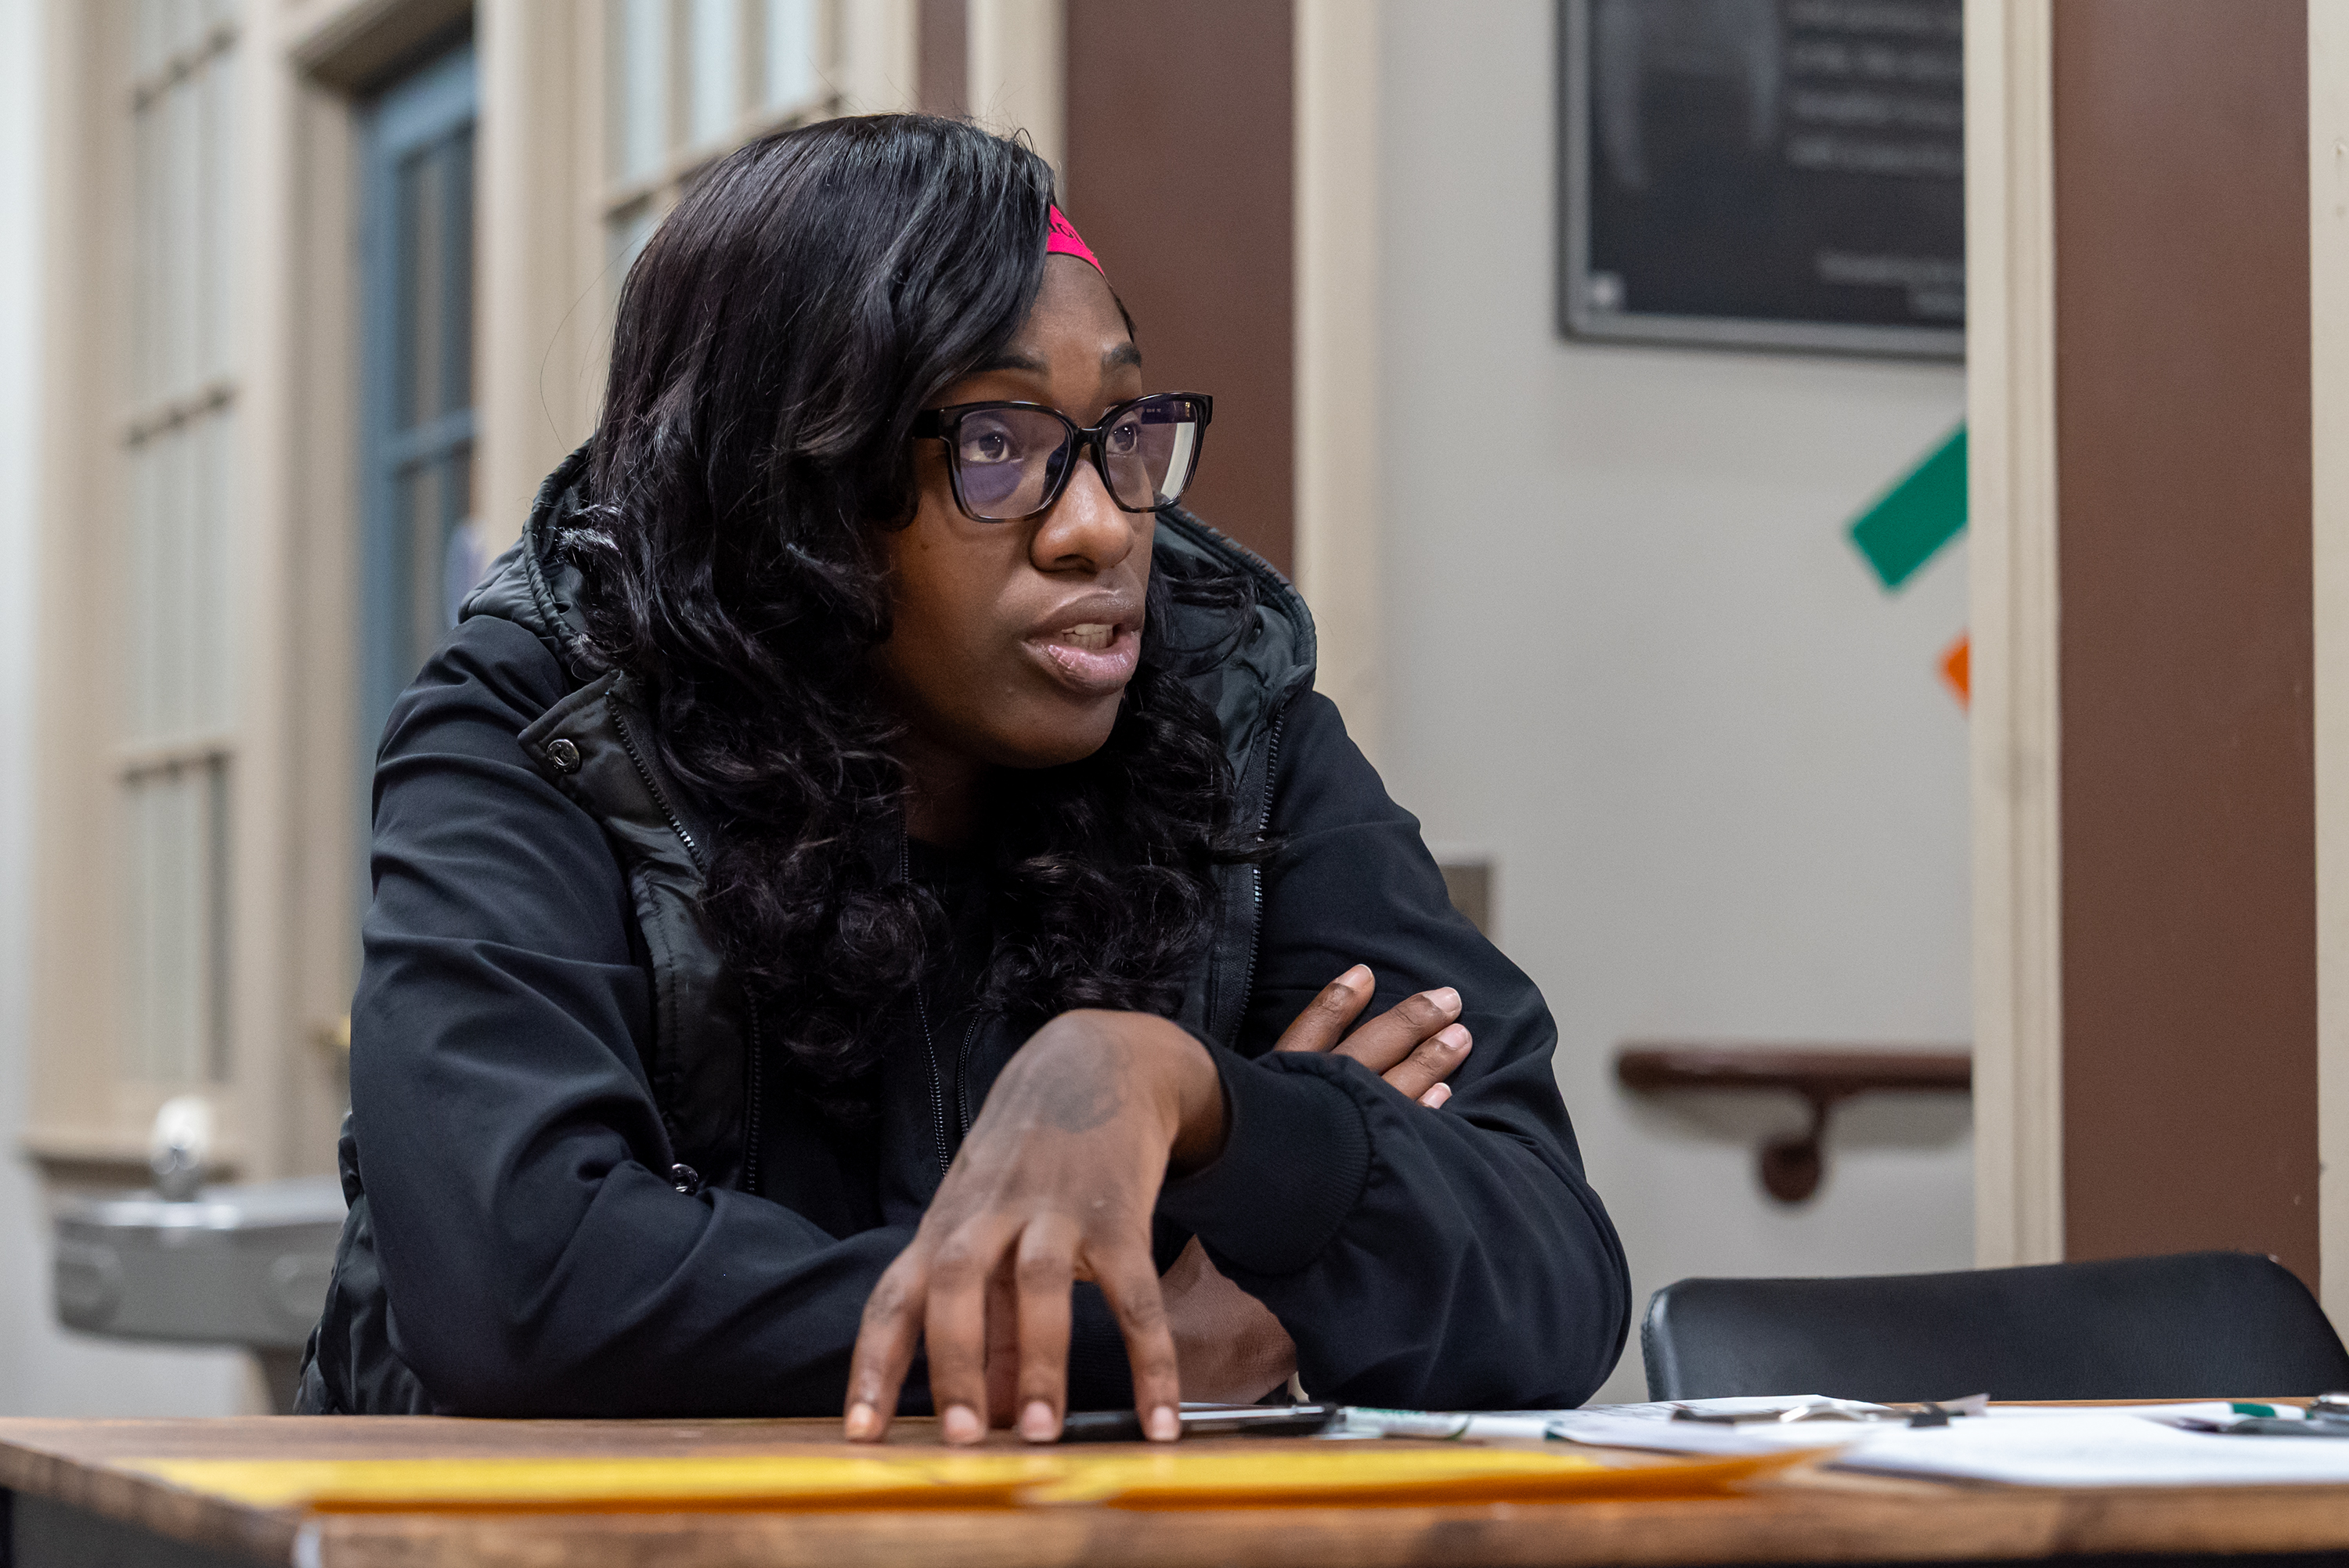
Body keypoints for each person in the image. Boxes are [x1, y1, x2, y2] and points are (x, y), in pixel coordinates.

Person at [296, 114, 1629, 1441]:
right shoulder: (548, 720)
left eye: (1124, 431)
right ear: (791, 490)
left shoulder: (1230, 718)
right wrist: (1163, 1335)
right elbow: (520, 1287)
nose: (1103, 525)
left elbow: (1553, 1282)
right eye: (996, 445)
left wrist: (1196, 1099)